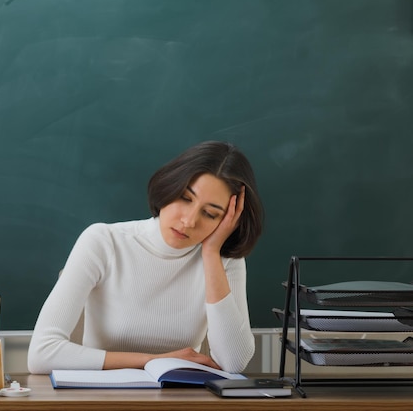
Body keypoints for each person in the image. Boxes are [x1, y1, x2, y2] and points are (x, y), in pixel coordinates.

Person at [27, 140, 264, 374]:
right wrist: (153, 360)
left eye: (210, 214)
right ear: (170, 186)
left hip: (180, 400)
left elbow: (234, 363)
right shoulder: (103, 241)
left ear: (227, 220)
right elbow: (42, 353)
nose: (189, 221)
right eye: (185, 198)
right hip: (101, 399)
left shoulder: (224, 261)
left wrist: (211, 254)